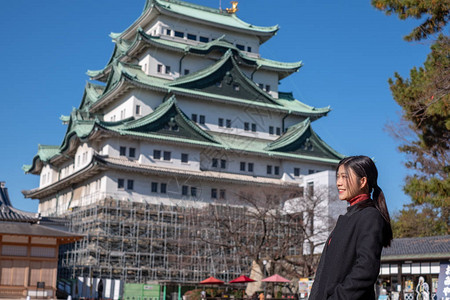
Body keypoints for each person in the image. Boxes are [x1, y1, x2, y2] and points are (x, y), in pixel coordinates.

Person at [309, 155, 393, 300]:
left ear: (362, 181)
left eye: (344, 177)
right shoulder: (347, 218)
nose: (339, 183)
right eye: (338, 177)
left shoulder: (369, 216)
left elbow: (366, 269)